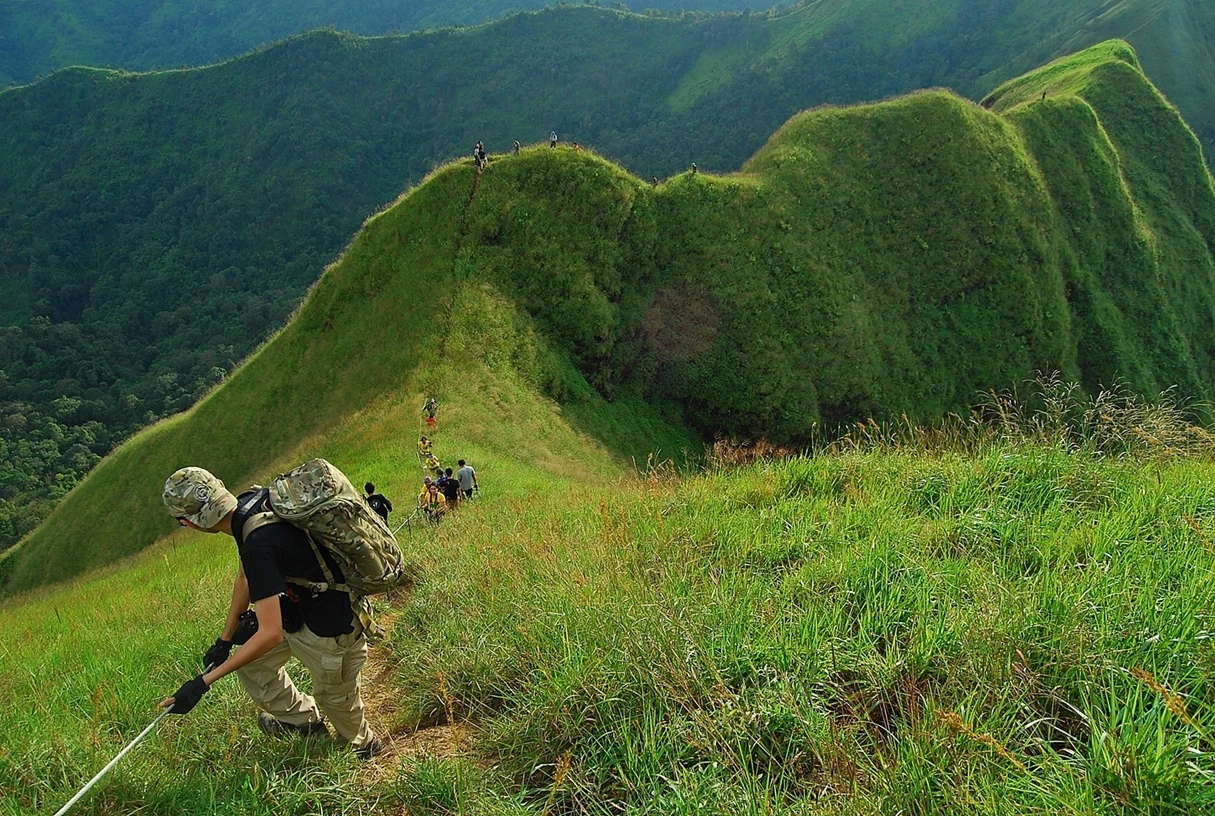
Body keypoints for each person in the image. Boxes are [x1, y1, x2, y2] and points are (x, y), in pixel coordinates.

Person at [159, 468, 382, 759]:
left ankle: (365, 746)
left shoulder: (257, 543)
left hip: (332, 629)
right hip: (300, 613)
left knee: (335, 700)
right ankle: (305, 723)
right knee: (254, 665)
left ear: (188, 522)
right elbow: (245, 579)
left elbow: (269, 632)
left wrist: (202, 684)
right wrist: (224, 640)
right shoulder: (250, 507)